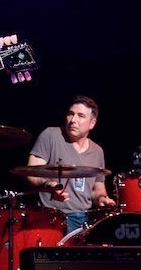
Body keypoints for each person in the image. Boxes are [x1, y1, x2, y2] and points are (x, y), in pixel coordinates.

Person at [24, 96, 117, 231]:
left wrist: (103, 199)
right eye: (70, 114)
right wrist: (48, 185)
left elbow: (97, 190)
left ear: (92, 123)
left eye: (80, 116)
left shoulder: (97, 151)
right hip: (52, 217)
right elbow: (30, 173)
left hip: (85, 220)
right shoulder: (51, 135)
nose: (73, 120)